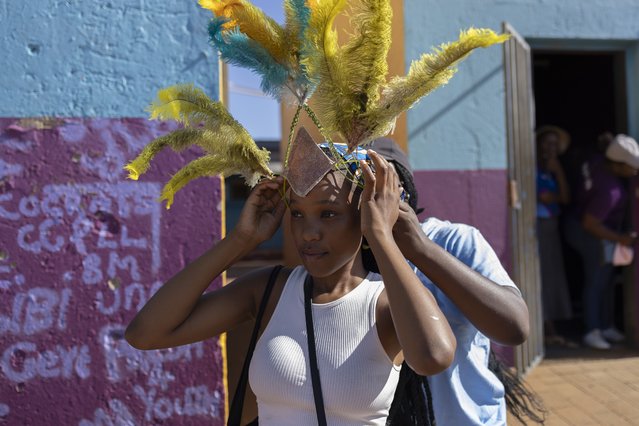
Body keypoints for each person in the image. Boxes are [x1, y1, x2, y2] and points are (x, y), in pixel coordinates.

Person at [125, 148, 456, 425]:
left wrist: (382, 235)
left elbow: (433, 357)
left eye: (328, 214)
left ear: (364, 215)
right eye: (297, 214)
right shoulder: (269, 290)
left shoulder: (384, 302)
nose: (308, 232)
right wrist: (242, 240)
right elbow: (146, 334)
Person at [366, 137, 538, 425]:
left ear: (403, 193)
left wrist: (421, 249)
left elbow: (515, 327)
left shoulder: (453, 241)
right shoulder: (344, 258)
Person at [564, 134, 639, 349]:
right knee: (597, 280)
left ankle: (606, 326)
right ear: (616, 165)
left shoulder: (597, 161)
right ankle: (592, 330)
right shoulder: (610, 192)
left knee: (606, 277)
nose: (635, 171)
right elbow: (591, 224)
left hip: (577, 222)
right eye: (631, 167)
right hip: (586, 230)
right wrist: (621, 239)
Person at [535, 126, 574, 345]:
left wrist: (558, 171)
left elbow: (565, 198)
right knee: (542, 276)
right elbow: (545, 197)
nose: (551, 148)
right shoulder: (532, 168)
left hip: (551, 225)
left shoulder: (553, 169)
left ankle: (550, 326)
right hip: (538, 226)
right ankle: (546, 328)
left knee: (553, 275)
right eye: (547, 143)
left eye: (554, 144)